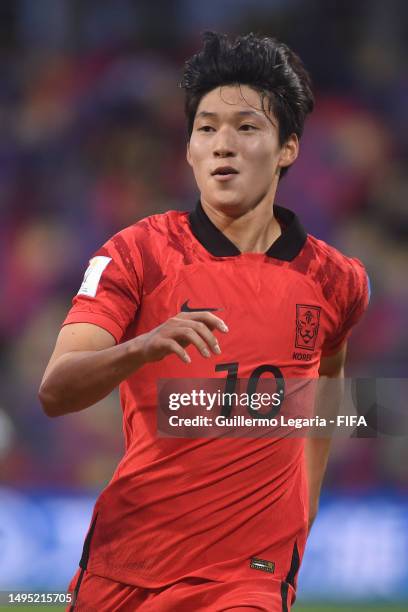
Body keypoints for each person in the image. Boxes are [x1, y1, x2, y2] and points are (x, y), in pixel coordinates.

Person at [39, 32, 369, 612]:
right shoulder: (135, 254)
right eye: (207, 128)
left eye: (246, 128)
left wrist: (301, 515)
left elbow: (325, 392)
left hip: (248, 579)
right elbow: (56, 391)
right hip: (127, 565)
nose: (223, 145)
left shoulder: (337, 281)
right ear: (189, 150)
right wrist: (142, 347)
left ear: (287, 148)